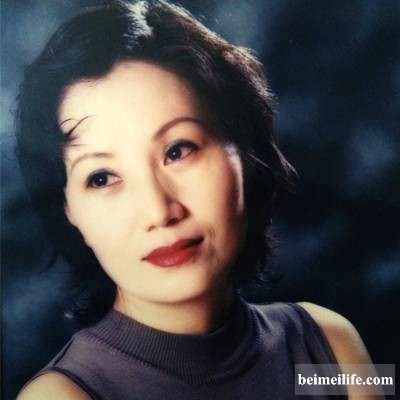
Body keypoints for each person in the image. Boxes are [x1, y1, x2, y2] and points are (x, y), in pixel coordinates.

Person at [15, 1, 379, 399]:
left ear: (243, 149)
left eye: (178, 151)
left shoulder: (333, 350)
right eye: (102, 178)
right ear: (68, 211)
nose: (159, 211)